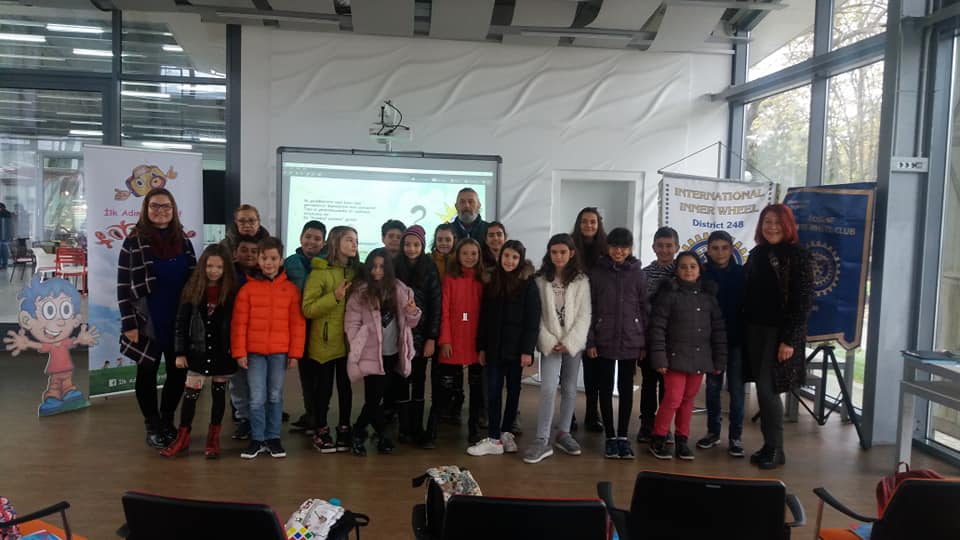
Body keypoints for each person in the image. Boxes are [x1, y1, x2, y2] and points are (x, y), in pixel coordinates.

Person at [118, 188, 197, 449]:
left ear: (173, 210)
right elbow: (123, 285)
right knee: (147, 373)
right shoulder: (133, 241)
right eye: (155, 206)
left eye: (166, 206)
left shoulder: (183, 241)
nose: (160, 211)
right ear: (146, 209)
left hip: (178, 319)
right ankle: (152, 425)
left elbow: (194, 279)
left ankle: (166, 421)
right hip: (146, 320)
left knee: (177, 372)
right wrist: (128, 322)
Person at [742, 204, 814, 470]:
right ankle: (768, 445)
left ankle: (777, 450)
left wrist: (790, 340)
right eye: (767, 221)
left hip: (779, 334)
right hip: (755, 330)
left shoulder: (798, 256)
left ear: (788, 225)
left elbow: (804, 302)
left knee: (768, 388)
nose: (771, 227)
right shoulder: (757, 254)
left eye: (777, 222)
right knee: (762, 390)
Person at [648, 251, 727, 460]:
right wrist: (659, 358)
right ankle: (658, 438)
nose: (688, 270)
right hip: (674, 359)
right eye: (683, 267)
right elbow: (657, 329)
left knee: (688, 400)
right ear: (677, 270)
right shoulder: (668, 295)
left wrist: (719, 360)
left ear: (700, 270)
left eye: (693, 266)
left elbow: (718, 330)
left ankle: (682, 440)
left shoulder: (708, 297)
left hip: (700, 359)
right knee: (673, 399)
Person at [231, 237, 306, 459]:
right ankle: (257, 439)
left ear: (281, 260)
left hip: (279, 353)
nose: (269, 263)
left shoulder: (291, 290)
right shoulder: (247, 290)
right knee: (256, 397)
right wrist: (239, 352)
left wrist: (295, 353)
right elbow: (239, 324)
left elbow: (297, 324)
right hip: (254, 353)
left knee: (274, 395)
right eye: (264, 258)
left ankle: (273, 437)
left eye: (273, 258)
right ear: (258, 260)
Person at [161, 244, 238, 459]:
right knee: (190, 397)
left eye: (219, 267)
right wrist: (180, 352)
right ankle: (183, 437)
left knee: (219, 397)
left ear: (226, 269)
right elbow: (181, 323)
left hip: (222, 354)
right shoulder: (192, 289)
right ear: (203, 266)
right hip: (197, 352)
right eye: (210, 266)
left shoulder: (232, 293)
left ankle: (213, 439)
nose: (214, 271)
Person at [345, 248, 422, 456]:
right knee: (374, 398)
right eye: (373, 266)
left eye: (381, 267)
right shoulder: (360, 293)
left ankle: (380, 435)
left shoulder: (401, 290)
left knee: (379, 397)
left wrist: (413, 312)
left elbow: (411, 322)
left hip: (393, 353)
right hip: (371, 354)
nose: (377, 271)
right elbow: (351, 323)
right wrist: (358, 341)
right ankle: (359, 432)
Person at [469, 240, 540, 456]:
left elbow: (532, 319)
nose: (509, 261)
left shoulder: (528, 284)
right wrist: (482, 347)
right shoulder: (492, 281)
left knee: (514, 391)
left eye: (514, 257)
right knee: (493, 391)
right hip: (494, 348)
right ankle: (493, 437)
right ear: (500, 257)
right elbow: (484, 317)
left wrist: (527, 350)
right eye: (506, 256)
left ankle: (507, 432)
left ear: (520, 260)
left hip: (517, 351)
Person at [524, 234, 590, 464]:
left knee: (570, 388)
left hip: (572, 343)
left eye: (563, 252)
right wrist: (550, 341)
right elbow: (538, 315)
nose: (558, 256)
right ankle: (542, 439)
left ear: (571, 253)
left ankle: (564, 432)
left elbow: (584, 315)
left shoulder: (581, 280)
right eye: (554, 252)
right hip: (550, 343)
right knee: (548, 388)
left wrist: (570, 341)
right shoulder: (540, 280)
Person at [586, 227, 647, 459]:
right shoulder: (597, 273)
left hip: (631, 340)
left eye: (623, 247)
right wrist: (591, 339)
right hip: (603, 340)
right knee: (604, 387)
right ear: (607, 247)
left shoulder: (638, 274)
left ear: (630, 249)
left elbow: (644, 308)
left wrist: (643, 342)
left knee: (626, 389)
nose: (618, 251)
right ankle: (610, 437)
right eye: (614, 247)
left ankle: (623, 436)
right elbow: (589, 308)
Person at [302, 226, 359, 453]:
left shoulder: (355, 272)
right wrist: (334, 297)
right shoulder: (319, 272)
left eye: (356, 240)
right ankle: (321, 429)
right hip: (324, 344)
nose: (354, 244)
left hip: (348, 342)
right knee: (323, 390)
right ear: (335, 242)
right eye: (349, 240)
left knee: (346, 388)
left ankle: (344, 428)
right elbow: (308, 309)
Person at [696, 231, 747, 458]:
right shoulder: (702, 274)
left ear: (731, 249)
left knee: (736, 390)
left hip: (736, 339)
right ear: (708, 250)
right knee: (712, 388)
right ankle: (713, 432)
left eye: (724, 248)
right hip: (711, 341)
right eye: (715, 248)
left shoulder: (742, 274)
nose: (720, 253)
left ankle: (735, 437)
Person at [393, 225, 442, 448]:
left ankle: (418, 427)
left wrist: (432, 337)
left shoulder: (430, 268)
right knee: (402, 379)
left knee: (419, 380)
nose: (411, 249)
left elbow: (436, 305)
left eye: (416, 245)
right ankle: (404, 428)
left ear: (422, 246)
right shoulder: (395, 266)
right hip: (399, 335)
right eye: (407, 244)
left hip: (422, 337)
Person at [437, 238, 485, 443]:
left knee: (476, 388)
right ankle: (438, 424)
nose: (469, 257)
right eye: (465, 253)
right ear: (457, 255)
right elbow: (445, 310)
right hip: (454, 339)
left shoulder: (484, 278)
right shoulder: (450, 278)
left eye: (474, 253)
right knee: (446, 387)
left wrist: (484, 345)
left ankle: (474, 427)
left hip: (476, 341)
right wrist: (445, 339)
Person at [637, 226, 680, 443]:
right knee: (648, 382)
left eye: (669, 246)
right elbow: (638, 308)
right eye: (660, 246)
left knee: (668, 385)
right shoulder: (643, 274)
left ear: (677, 247)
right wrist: (641, 342)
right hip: (649, 338)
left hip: (672, 340)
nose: (664, 250)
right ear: (653, 247)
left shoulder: (682, 272)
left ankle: (664, 426)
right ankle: (646, 423)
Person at [285, 221, 327, 434]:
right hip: (299, 324)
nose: (312, 242)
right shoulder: (290, 262)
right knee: (306, 372)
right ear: (301, 237)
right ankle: (310, 412)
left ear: (324, 242)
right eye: (308, 236)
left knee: (321, 374)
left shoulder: (329, 263)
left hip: (322, 324)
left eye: (317, 239)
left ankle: (319, 416)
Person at [570, 207, 608, 433]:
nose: (589, 225)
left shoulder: (606, 249)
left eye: (593, 222)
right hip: (572, 316)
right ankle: (569, 414)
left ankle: (593, 414)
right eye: (584, 221)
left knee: (594, 372)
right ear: (578, 223)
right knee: (569, 370)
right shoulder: (569, 246)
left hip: (598, 316)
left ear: (598, 224)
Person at [229, 234, 259, 439]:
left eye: (254, 251)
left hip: (257, 337)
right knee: (238, 382)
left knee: (257, 381)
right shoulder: (227, 275)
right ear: (235, 252)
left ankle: (258, 417)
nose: (249, 255)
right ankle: (243, 419)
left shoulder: (265, 275)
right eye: (244, 250)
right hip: (234, 336)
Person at [0, 203, 13, 270]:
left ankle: (2, 264)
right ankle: (4, 265)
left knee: (3, 251)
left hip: (3, 236)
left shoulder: (3, 215)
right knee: (4, 250)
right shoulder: (8, 214)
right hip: (6, 236)